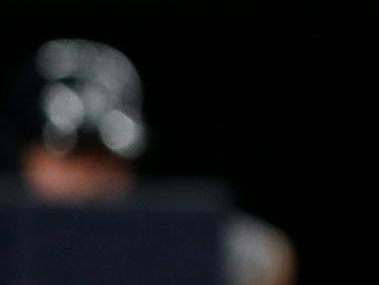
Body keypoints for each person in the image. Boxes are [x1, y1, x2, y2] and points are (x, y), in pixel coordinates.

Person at [10, 39, 294, 285]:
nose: (91, 174)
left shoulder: (154, 235)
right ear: (28, 155)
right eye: (74, 157)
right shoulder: (10, 234)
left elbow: (264, 251)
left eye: (106, 156)